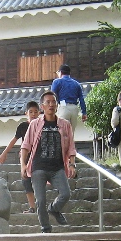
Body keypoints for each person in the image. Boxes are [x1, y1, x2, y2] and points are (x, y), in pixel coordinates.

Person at [20, 91, 77, 233]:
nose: (51, 105)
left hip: (57, 167)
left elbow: (71, 147)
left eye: (54, 102)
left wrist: (71, 164)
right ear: (42, 106)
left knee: (65, 194)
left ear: (57, 105)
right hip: (38, 167)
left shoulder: (65, 125)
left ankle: (54, 209)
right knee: (40, 201)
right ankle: (45, 228)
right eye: (48, 102)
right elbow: (25, 146)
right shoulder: (35, 124)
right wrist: (23, 165)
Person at [0, 100, 41, 213]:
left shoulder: (42, 125)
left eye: (36, 112)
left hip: (39, 158)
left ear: (39, 113)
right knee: (26, 181)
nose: (33, 114)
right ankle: (32, 207)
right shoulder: (23, 126)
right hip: (25, 158)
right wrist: (4, 153)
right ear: (26, 113)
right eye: (31, 112)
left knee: (39, 181)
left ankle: (40, 206)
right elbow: (14, 140)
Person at [51, 64, 86, 133]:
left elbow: (52, 96)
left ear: (60, 72)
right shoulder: (76, 84)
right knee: (71, 134)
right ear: (69, 73)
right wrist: (84, 112)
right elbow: (81, 99)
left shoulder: (57, 81)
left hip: (63, 107)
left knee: (61, 133)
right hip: (74, 109)